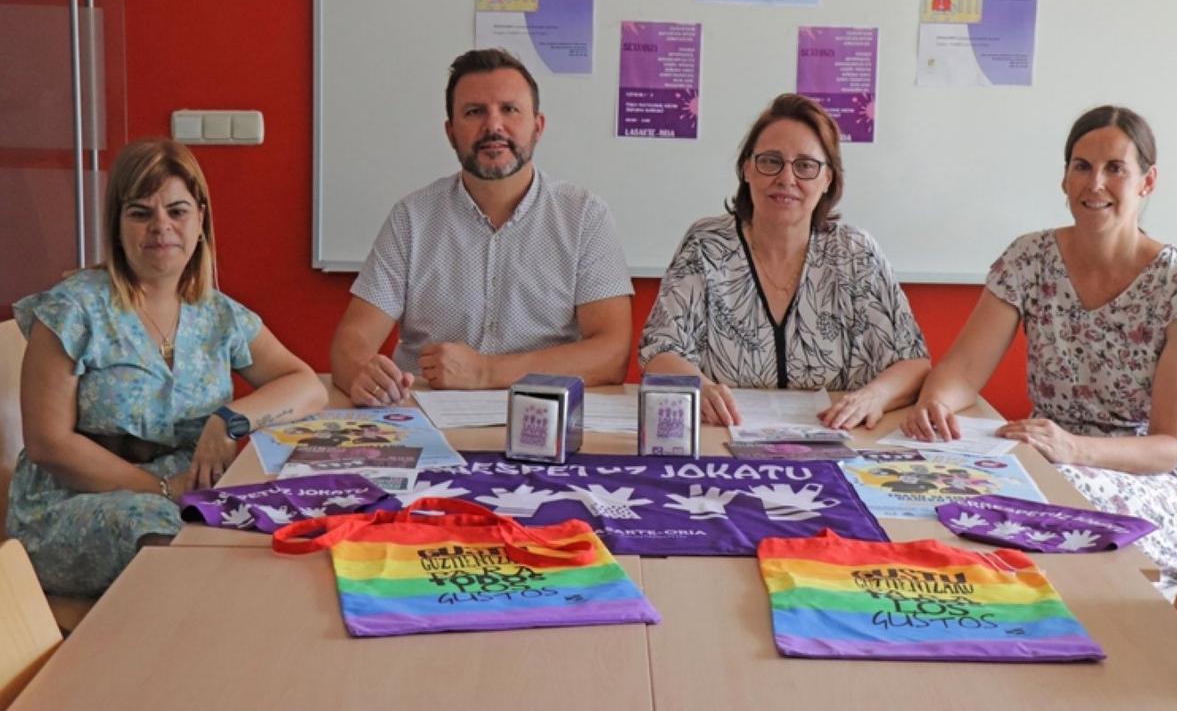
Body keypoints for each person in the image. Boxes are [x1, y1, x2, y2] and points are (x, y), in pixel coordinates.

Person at [902, 105, 1177, 595]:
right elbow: (963, 372)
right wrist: (935, 404)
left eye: (1116, 168)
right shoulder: (1029, 258)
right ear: (1065, 177)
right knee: (946, 499)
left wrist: (1074, 449)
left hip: (1149, 482)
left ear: (1147, 181)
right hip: (1048, 458)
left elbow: (1168, 447)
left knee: (1039, 524)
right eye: (1081, 166)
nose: (1095, 184)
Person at [10, 139, 327, 597]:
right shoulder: (72, 309)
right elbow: (48, 444)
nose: (161, 227)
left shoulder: (218, 314)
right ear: (117, 226)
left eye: (177, 211)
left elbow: (305, 385)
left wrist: (229, 420)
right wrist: (159, 488)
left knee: (284, 524)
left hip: (184, 491)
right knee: (186, 541)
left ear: (200, 220)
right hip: (75, 503)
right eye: (140, 213)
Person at [331, 48, 633, 404]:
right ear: (450, 132)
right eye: (474, 112)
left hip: (543, 419)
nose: (493, 126)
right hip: (426, 419)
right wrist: (363, 373)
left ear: (537, 126)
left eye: (510, 109)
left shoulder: (584, 217)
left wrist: (486, 372)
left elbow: (612, 354)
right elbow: (350, 343)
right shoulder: (412, 218)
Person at [639, 94, 930, 429]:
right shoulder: (707, 246)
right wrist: (698, 388)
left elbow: (913, 361)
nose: (786, 178)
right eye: (770, 161)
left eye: (805, 165)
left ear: (828, 180)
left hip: (837, 441)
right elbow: (659, 350)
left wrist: (874, 396)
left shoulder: (855, 254)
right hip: (721, 440)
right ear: (747, 169)